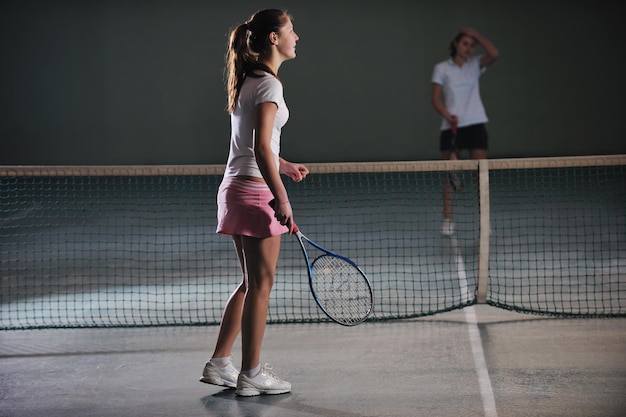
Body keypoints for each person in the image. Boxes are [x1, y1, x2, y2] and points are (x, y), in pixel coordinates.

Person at [199, 9, 308, 396]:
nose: (297, 37)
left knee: (249, 283)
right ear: (274, 39)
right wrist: (282, 197)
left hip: (234, 187)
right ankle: (252, 373)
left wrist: (285, 164)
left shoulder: (249, 80)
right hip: (256, 189)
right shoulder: (270, 87)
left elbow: (257, 145)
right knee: (262, 285)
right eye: (291, 31)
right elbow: (261, 146)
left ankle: (219, 363)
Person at [431, 27, 499, 236]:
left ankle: (484, 220)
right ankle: (448, 220)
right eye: (465, 43)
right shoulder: (442, 68)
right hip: (452, 127)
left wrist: (477, 35)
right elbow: (435, 98)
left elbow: (494, 54)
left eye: (472, 45)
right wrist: (447, 115)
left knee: (480, 175)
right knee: (450, 175)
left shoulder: (476, 64)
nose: (468, 48)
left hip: (476, 124)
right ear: (455, 45)